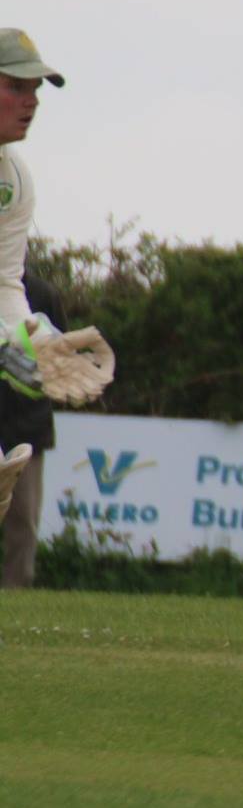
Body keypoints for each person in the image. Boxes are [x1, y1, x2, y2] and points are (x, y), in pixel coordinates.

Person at [0, 28, 67, 534]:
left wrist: (35, 340)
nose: (32, 101)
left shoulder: (14, 181)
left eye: (36, 89)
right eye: (17, 87)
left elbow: (5, 284)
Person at [0, 269, 64, 586]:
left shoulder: (42, 294)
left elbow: (58, 356)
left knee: (22, 521)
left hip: (27, 426)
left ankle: (16, 593)